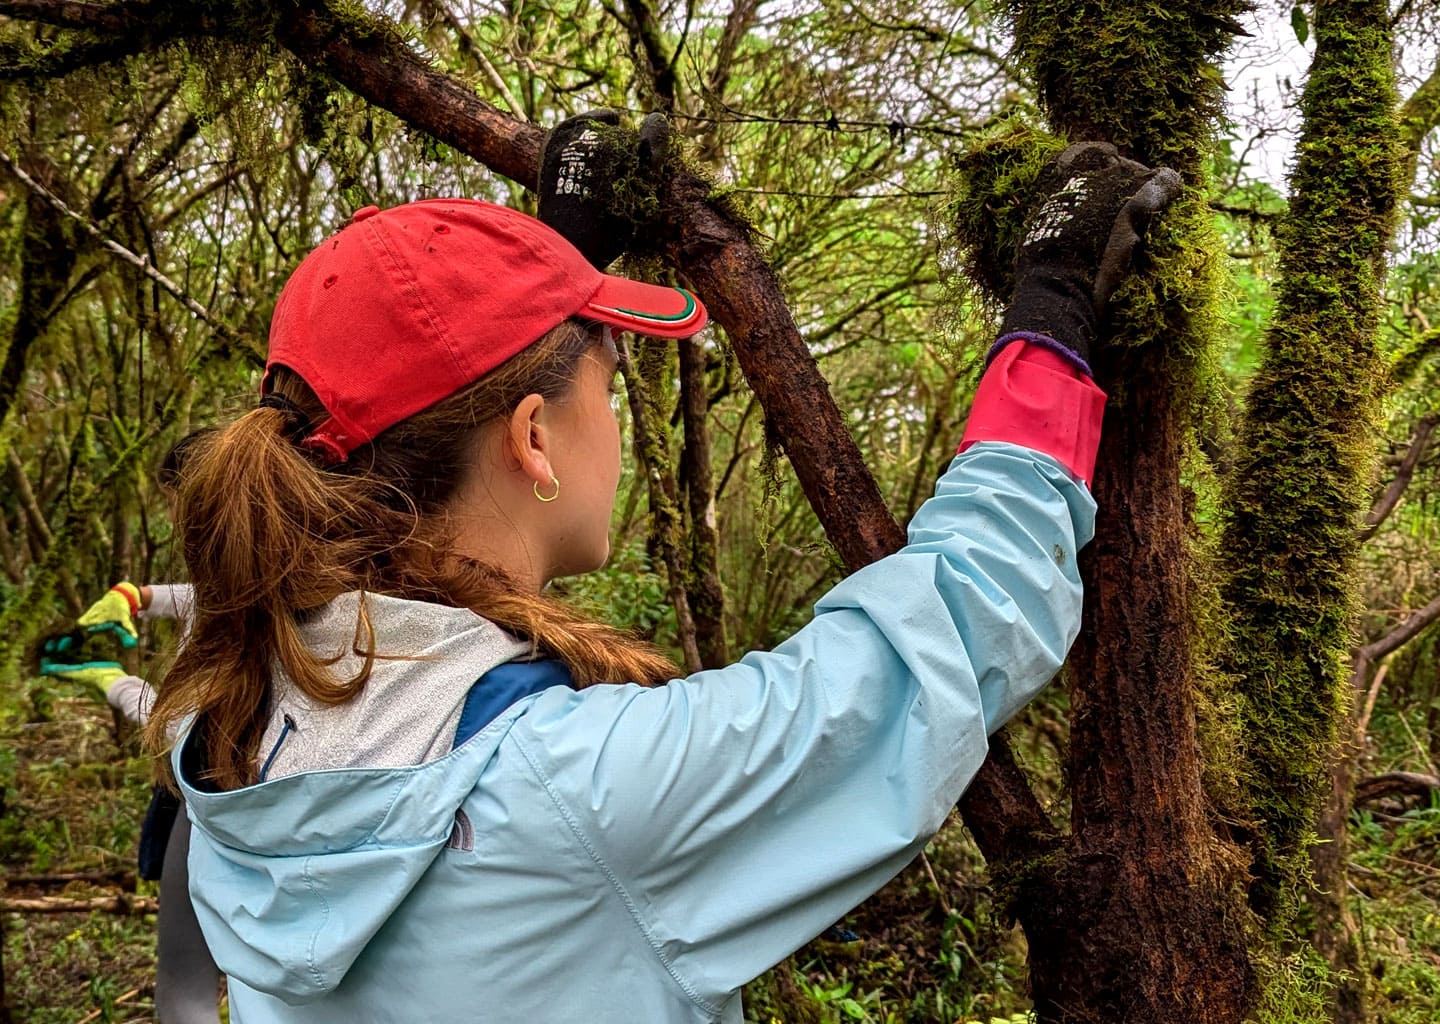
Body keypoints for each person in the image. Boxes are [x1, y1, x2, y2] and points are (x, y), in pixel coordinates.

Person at [148, 114, 1179, 1022]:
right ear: (534, 439)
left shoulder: (229, 704)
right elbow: (952, 626)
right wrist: (1052, 311)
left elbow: (452, 460)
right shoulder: (584, 796)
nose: (619, 400)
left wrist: (557, 263)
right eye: (609, 369)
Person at [44, 437, 222, 1024]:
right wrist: (133, 595)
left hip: (211, 800)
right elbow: (196, 599)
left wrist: (111, 682)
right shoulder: (302, 579)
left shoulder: (237, 607)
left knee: (186, 989)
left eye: (176, 506)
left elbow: (187, 731)